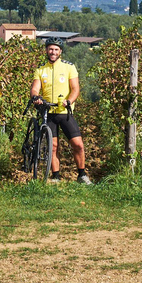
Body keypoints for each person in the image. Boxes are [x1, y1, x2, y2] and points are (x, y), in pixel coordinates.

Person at [30, 37, 90, 184]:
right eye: (50, 49)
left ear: (60, 51)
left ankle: (82, 175)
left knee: (78, 144)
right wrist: (36, 97)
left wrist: (69, 101)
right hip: (48, 113)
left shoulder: (69, 67)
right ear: (46, 50)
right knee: (53, 146)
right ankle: (56, 176)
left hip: (64, 112)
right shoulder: (40, 70)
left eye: (56, 49)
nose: (53, 52)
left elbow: (75, 89)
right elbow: (35, 88)